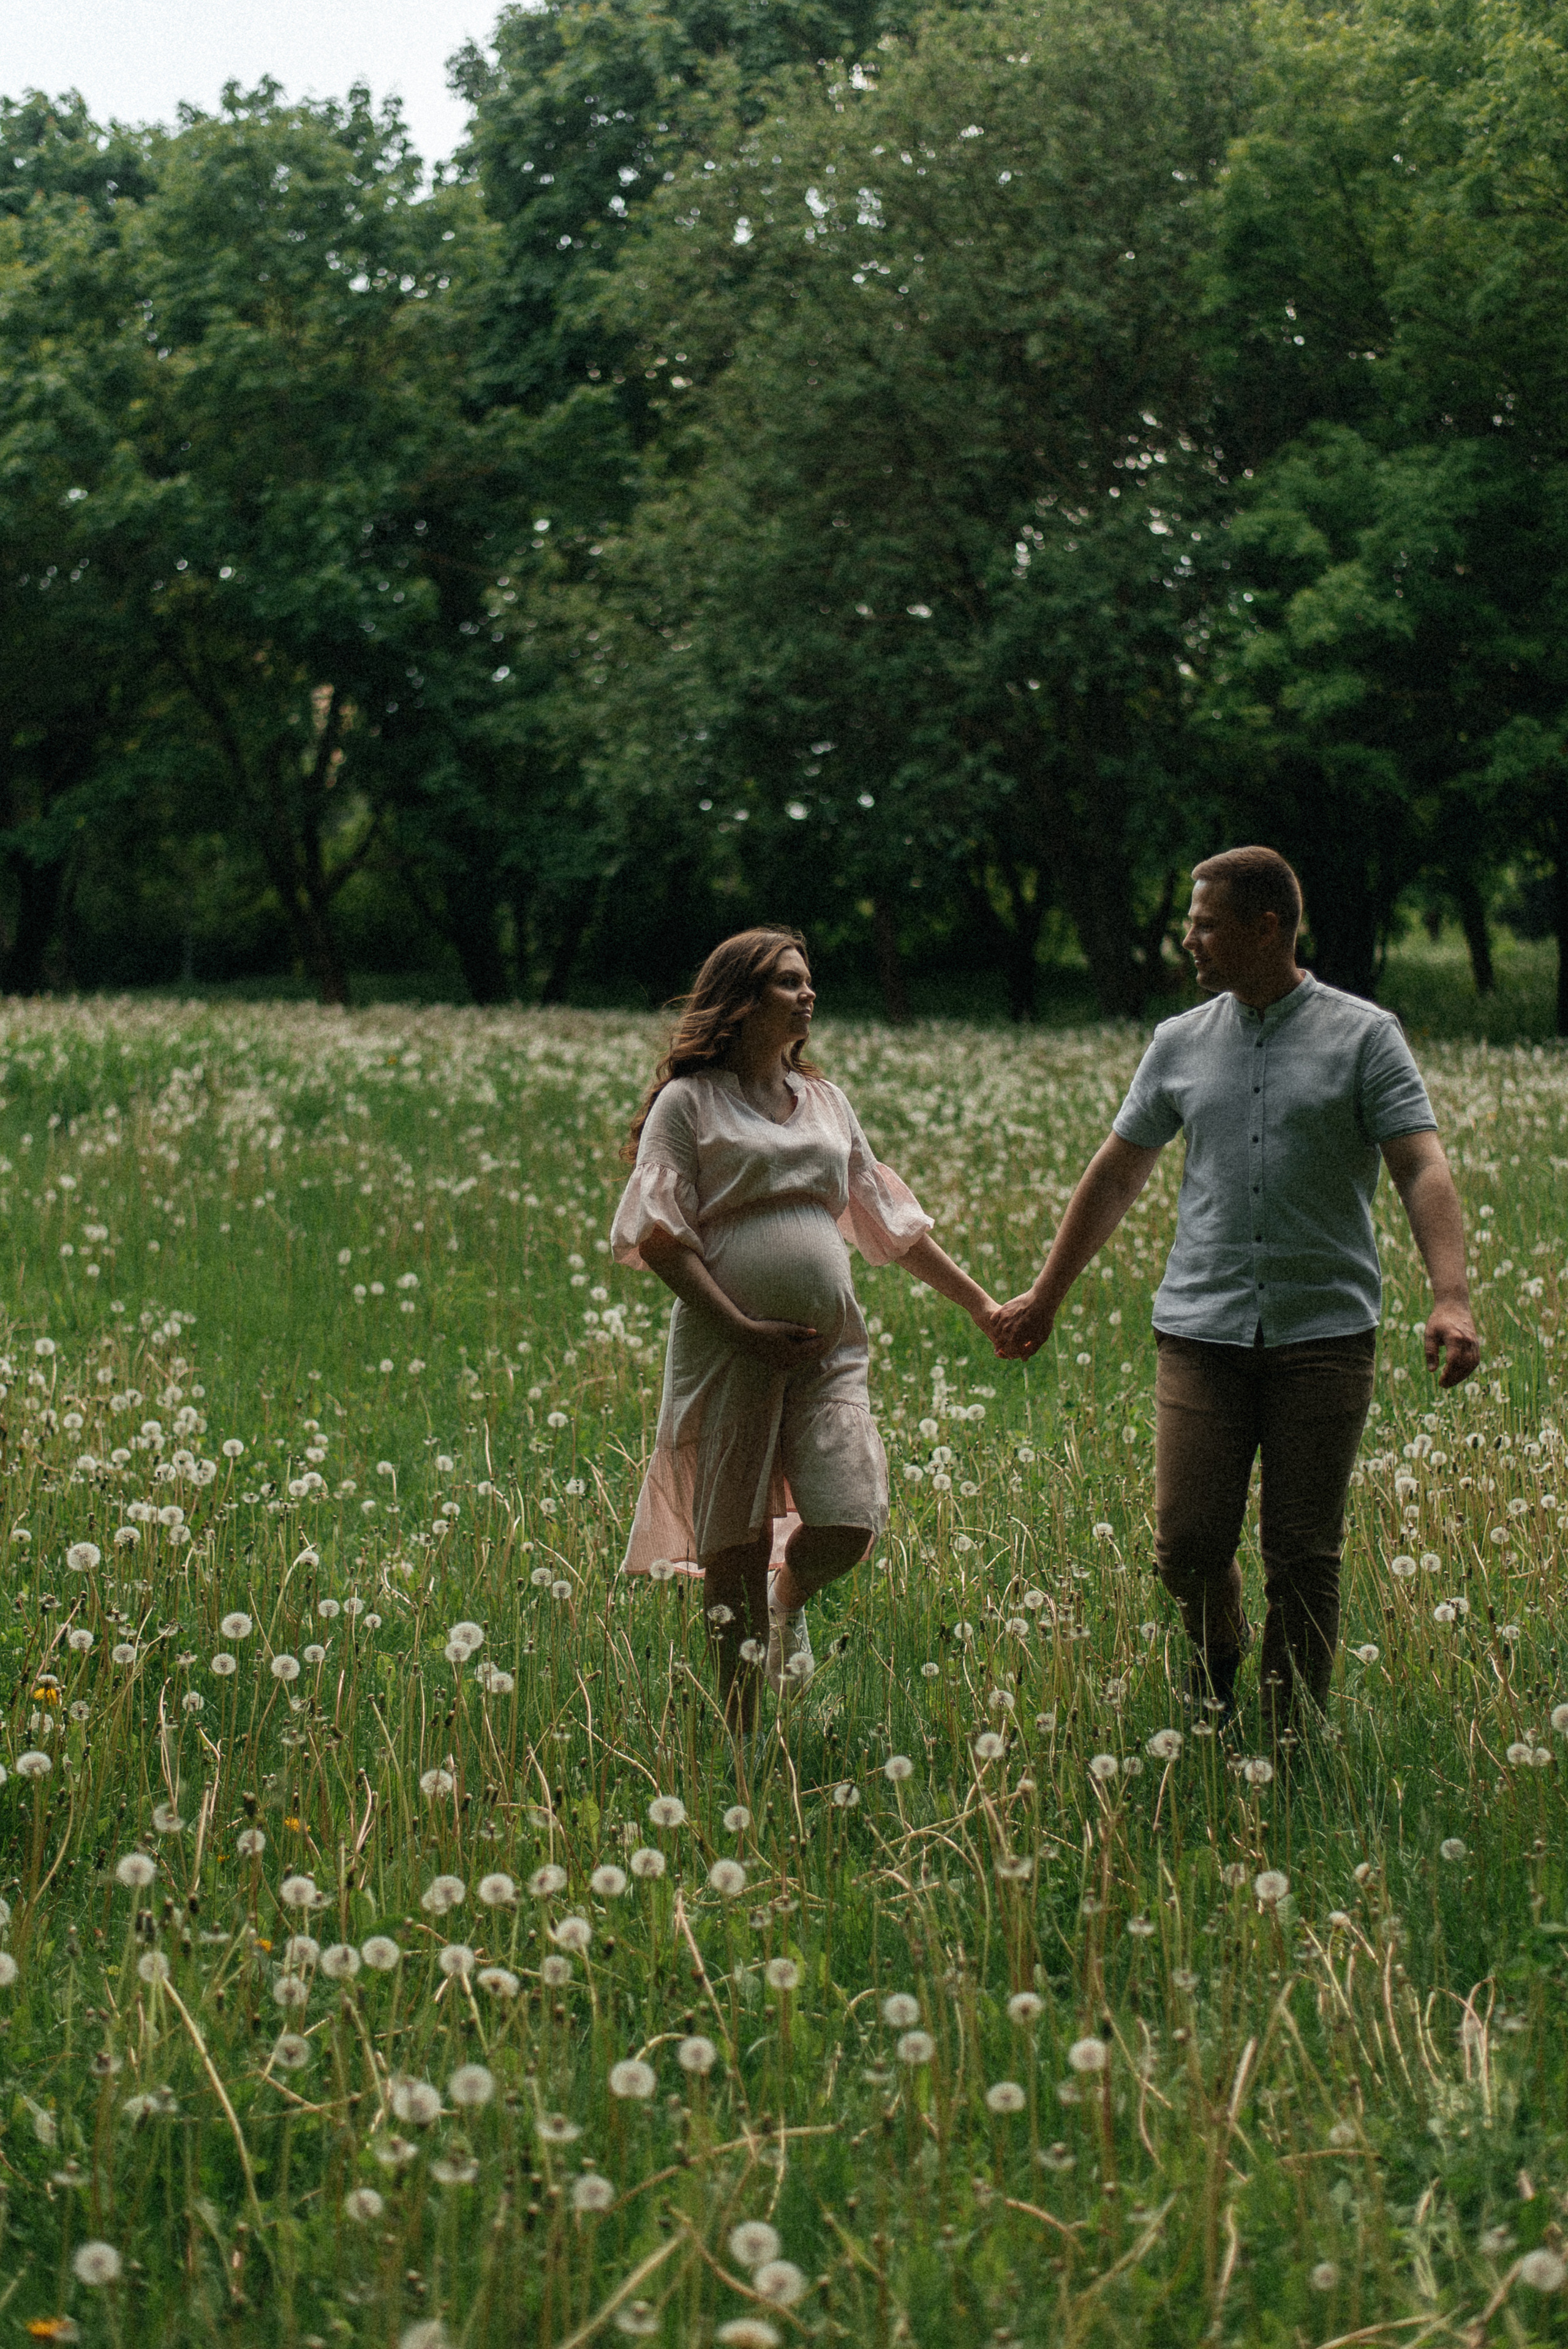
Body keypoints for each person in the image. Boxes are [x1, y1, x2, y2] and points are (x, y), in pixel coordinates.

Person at [991, 846, 1480, 1742]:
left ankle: (1292, 1733)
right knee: (1186, 1547)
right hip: (1201, 1331)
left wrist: (1450, 1294)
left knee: (1303, 1553)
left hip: (1324, 1333)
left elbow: (1421, 1165)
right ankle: (1215, 1665)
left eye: (1206, 923)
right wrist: (1045, 1296)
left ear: (1268, 927)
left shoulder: (1367, 1035)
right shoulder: (1178, 1042)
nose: (1189, 940)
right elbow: (1116, 1176)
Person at [612, 927, 998, 1729]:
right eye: (790, 981)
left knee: (849, 1518)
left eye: (808, 980)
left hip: (828, 1350)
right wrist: (742, 1326)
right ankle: (743, 1735)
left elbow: (890, 1221)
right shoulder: (689, 1104)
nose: (808, 993)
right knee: (734, 1543)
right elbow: (659, 1238)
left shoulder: (826, 1104)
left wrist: (982, 1306)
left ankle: (790, 1599)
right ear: (744, 999)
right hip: (727, 1348)